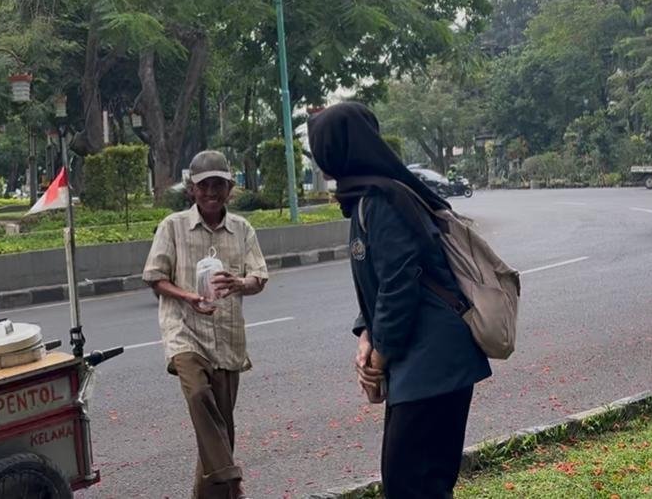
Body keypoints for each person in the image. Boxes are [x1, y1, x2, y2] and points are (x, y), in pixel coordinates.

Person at [307, 102, 490, 499]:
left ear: (336, 149)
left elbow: (400, 283)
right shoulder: (370, 198)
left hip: (434, 362)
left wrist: (380, 357)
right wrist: (366, 335)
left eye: (319, 144)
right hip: (425, 363)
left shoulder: (381, 201)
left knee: (411, 483)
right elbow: (384, 282)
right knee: (416, 484)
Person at [142, 150, 269, 499]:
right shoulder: (173, 226)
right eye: (204, 186)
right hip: (184, 331)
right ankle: (231, 479)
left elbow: (259, 276)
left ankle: (214, 489)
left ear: (229, 188)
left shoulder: (242, 230)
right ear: (191, 190)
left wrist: (239, 283)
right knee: (199, 395)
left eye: (218, 185)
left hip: (227, 338)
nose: (211, 192)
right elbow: (154, 278)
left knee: (219, 431)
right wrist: (187, 297)